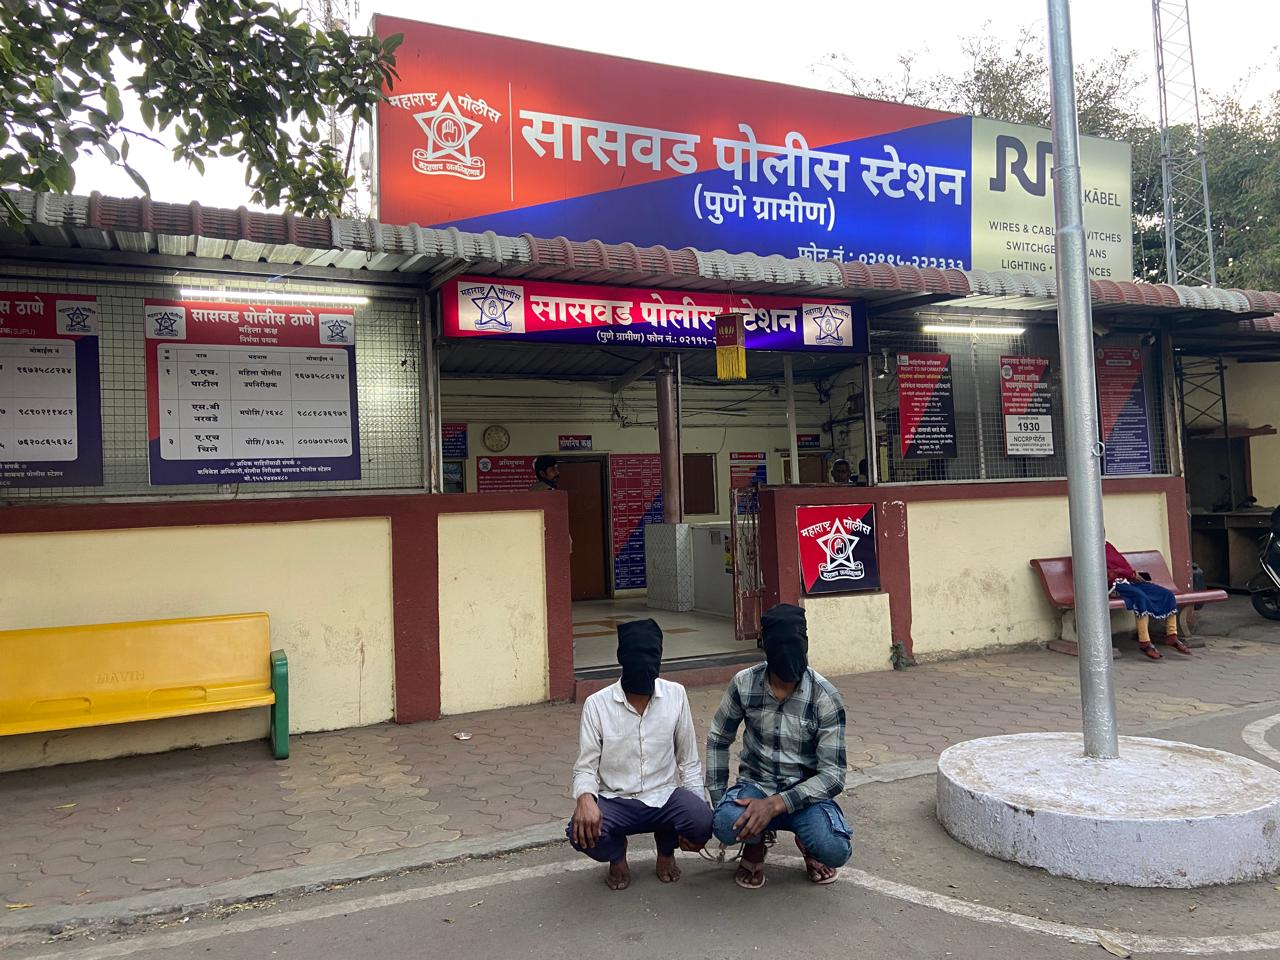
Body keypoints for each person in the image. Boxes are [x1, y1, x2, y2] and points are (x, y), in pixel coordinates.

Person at [706, 604, 852, 890]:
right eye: (780, 647)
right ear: (765, 647)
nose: (788, 656)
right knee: (724, 823)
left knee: (834, 849)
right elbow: (719, 739)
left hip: (805, 793)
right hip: (756, 786)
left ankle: (808, 843)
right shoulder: (744, 684)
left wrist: (775, 804)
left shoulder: (825, 696)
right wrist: (719, 798)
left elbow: (833, 776)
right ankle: (755, 842)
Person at [568, 619, 713, 890]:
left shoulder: (676, 695)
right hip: (616, 799)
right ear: (621, 657)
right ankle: (616, 854)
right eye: (636, 656)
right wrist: (585, 798)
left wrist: (698, 819)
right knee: (580, 832)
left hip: (664, 795)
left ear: (660, 657)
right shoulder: (597, 704)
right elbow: (585, 767)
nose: (644, 663)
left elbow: (689, 761)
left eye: (651, 655)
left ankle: (666, 850)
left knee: (702, 820)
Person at [1106, 541, 1190, 660]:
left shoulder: (1108, 546)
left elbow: (1123, 565)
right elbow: (1106, 573)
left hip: (1130, 580)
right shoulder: (1091, 549)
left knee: (1167, 594)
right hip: (1115, 585)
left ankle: (1172, 635)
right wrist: (1127, 573)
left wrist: (1133, 575)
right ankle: (1145, 642)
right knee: (1140, 597)